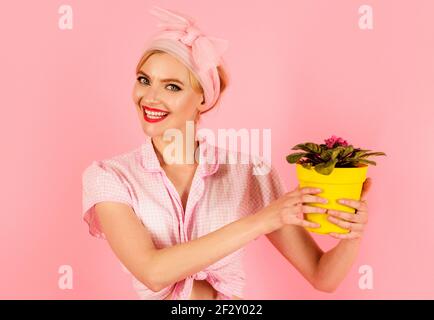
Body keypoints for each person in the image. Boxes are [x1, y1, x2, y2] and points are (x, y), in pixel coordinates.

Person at [81, 6, 372, 300]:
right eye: (144, 80)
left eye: (172, 86)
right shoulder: (109, 177)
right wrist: (264, 219)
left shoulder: (248, 172)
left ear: (203, 99)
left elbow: (323, 277)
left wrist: (351, 235)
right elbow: (153, 272)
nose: (151, 97)